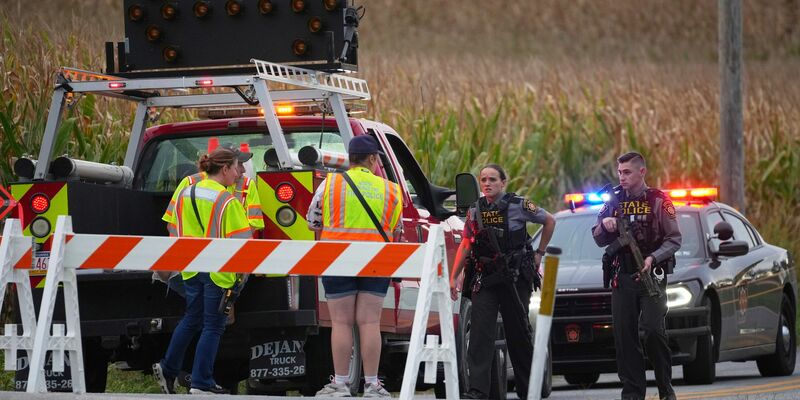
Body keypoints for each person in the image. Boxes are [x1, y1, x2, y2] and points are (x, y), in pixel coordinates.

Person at [306, 135, 403, 398]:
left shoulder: (330, 184)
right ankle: (372, 385)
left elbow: (312, 221)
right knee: (370, 322)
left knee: (341, 322)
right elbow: (397, 228)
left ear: (351, 159)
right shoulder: (391, 189)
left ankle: (340, 384)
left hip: (338, 259)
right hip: (377, 260)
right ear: (372, 158)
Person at [449, 164, 556, 400]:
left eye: (493, 179)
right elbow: (466, 243)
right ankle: (478, 391)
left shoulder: (519, 205)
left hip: (514, 278)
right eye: (484, 180)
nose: (487, 184)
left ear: (503, 183)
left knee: (518, 333)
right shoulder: (475, 209)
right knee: (480, 334)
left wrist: (539, 254)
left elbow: (549, 221)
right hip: (486, 278)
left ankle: (529, 390)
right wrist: (454, 276)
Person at [152, 147, 252, 395]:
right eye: (236, 168)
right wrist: (240, 279)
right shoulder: (227, 200)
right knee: (213, 326)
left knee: (192, 318)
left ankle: (168, 368)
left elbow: (173, 229)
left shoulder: (186, 193)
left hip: (191, 269)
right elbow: (244, 245)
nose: (238, 174)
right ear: (225, 168)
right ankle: (201, 382)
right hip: (219, 272)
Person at [592, 151, 681, 400]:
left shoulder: (659, 200)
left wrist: (653, 257)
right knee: (624, 337)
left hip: (651, 276)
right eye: (620, 172)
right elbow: (598, 238)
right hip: (623, 276)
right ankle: (632, 394)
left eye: (627, 172)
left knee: (653, 331)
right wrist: (605, 225)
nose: (622, 177)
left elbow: (674, 239)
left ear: (642, 172)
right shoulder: (612, 201)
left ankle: (665, 389)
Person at [164, 142, 264, 236]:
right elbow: (172, 224)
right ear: (225, 169)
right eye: (239, 164)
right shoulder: (190, 182)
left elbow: (173, 226)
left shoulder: (247, 184)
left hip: (191, 248)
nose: (243, 170)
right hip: (220, 248)